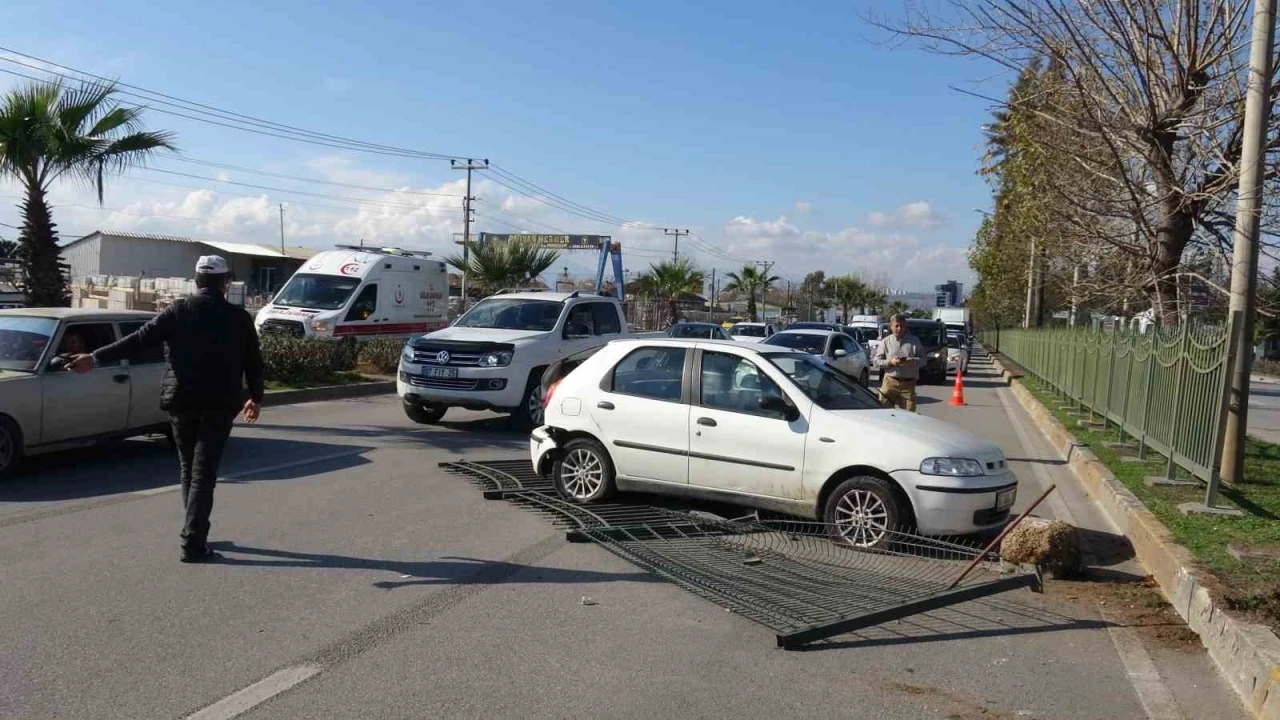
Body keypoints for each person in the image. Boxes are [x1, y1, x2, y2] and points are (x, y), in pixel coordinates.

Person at [68, 256, 264, 563]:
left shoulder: (178, 311)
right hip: (219, 404)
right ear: (225, 283)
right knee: (203, 475)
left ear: (197, 281)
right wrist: (256, 396)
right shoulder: (238, 318)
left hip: (181, 401)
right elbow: (253, 360)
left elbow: (137, 341)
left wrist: (95, 358)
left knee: (190, 471)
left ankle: (193, 533)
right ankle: (193, 541)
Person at [871, 314, 922, 412]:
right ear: (891, 326)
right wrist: (890, 362)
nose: (899, 328)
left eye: (902, 326)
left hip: (908, 384)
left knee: (909, 415)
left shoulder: (914, 341)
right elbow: (876, 362)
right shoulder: (885, 342)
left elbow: (923, 360)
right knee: (884, 412)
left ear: (905, 326)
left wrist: (912, 360)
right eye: (897, 326)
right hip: (890, 382)